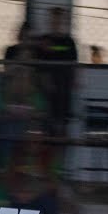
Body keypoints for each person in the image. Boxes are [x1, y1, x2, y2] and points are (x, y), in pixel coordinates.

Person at [36, 7, 79, 137]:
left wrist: (74, 81)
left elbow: (74, 63)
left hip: (63, 89)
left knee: (62, 127)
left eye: (59, 19)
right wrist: (45, 82)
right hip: (47, 89)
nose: (56, 22)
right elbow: (39, 64)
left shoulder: (68, 41)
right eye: (53, 19)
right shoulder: (43, 40)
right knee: (47, 125)